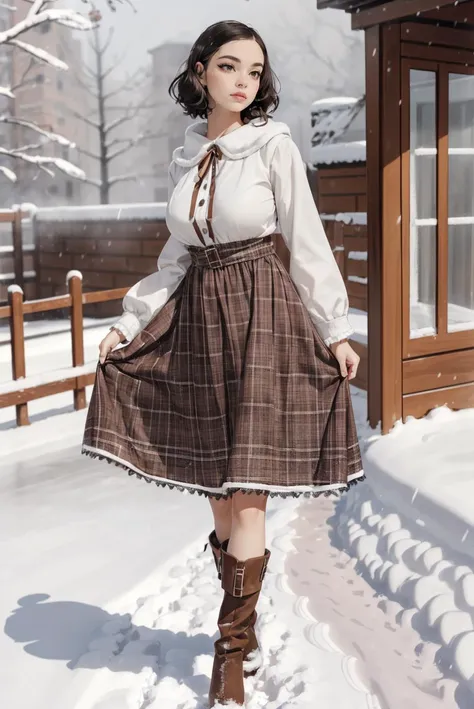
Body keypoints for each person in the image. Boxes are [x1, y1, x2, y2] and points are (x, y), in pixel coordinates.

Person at [82, 19, 364, 708]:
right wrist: (128, 323)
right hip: (200, 321)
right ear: (201, 71)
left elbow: (306, 240)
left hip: (262, 314)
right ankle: (246, 621)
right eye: (231, 66)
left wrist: (336, 328)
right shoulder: (186, 156)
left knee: (247, 491)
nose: (245, 80)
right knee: (217, 485)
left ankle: (229, 652)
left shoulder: (273, 145)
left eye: (256, 70)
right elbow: (173, 259)